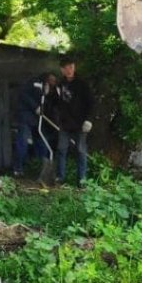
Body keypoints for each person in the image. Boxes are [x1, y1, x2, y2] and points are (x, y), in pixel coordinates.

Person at [53, 55, 94, 185]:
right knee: (61, 149)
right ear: (62, 70)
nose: (69, 70)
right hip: (65, 124)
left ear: (74, 67)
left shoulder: (82, 84)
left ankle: (81, 179)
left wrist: (89, 120)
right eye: (66, 68)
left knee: (81, 151)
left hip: (80, 124)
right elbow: (55, 102)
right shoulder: (60, 84)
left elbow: (91, 103)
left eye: (71, 67)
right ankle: (60, 177)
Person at [12, 72, 57, 177]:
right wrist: (35, 106)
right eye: (52, 80)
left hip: (38, 120)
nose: (53, 82)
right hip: (25, 117)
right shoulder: (34, 82)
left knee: (42, 143)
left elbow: (48, 104)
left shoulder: (50, 89)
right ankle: (17, 169)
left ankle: (42, 169)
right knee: (22, 142)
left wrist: (46, 94)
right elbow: (23, 95)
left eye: (54, 81)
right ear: (47, 77)